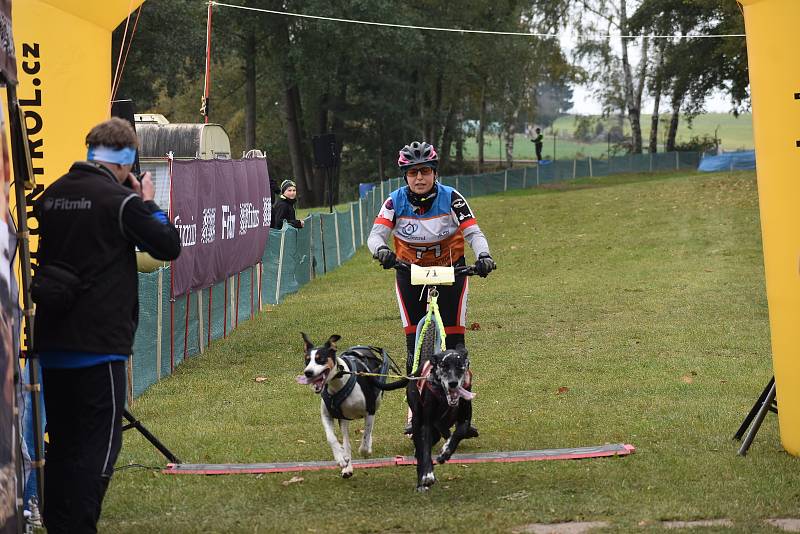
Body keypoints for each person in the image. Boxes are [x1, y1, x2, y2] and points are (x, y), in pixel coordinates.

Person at [32, 117, 181, 534]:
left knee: (61, 441)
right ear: (127, 161)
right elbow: (168, 246)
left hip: (54, 341)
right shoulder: (121, 202)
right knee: (99, 444)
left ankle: (58, 522)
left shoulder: (53, 194)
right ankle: (79, 524)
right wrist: (148, 201)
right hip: (100, 345)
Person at [367, 141, 496, 434]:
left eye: (425, 171)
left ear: (435, 173)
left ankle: (463, 415)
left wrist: (484, 256)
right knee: (414, 348)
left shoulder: (453, 198)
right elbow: (375, 236)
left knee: (455, 346)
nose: (419, 178)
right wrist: (382, 252)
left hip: (452, 269)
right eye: (413, 173)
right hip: (409, 271)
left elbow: (473, 233)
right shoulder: (394, 201)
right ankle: (414, 414)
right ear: (405, 177)